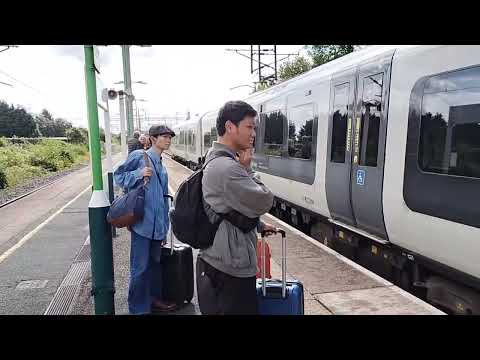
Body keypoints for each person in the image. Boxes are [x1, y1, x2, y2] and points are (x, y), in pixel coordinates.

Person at [196, 100, 277, 315]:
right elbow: (265, 200)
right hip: (230, 268)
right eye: (249, 127)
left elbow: (226, 208)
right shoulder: (228, 168)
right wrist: (248, 170)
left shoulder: (216, 159)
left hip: (217, 260)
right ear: (230, 127)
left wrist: (257, 225)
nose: (253, 134)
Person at [114, 125, 177, 315]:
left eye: (169, 137)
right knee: (140, 268)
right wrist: (138, 174)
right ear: (153, 138)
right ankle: (138, 309)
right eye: (164, 136)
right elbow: (119, 176)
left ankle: (153, 299)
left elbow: (164, 197)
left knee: (155, 266)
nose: (168, 140)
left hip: (157, 225)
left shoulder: (161, 162)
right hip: (142, 224)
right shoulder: (139, 157)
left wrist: (165, 227)